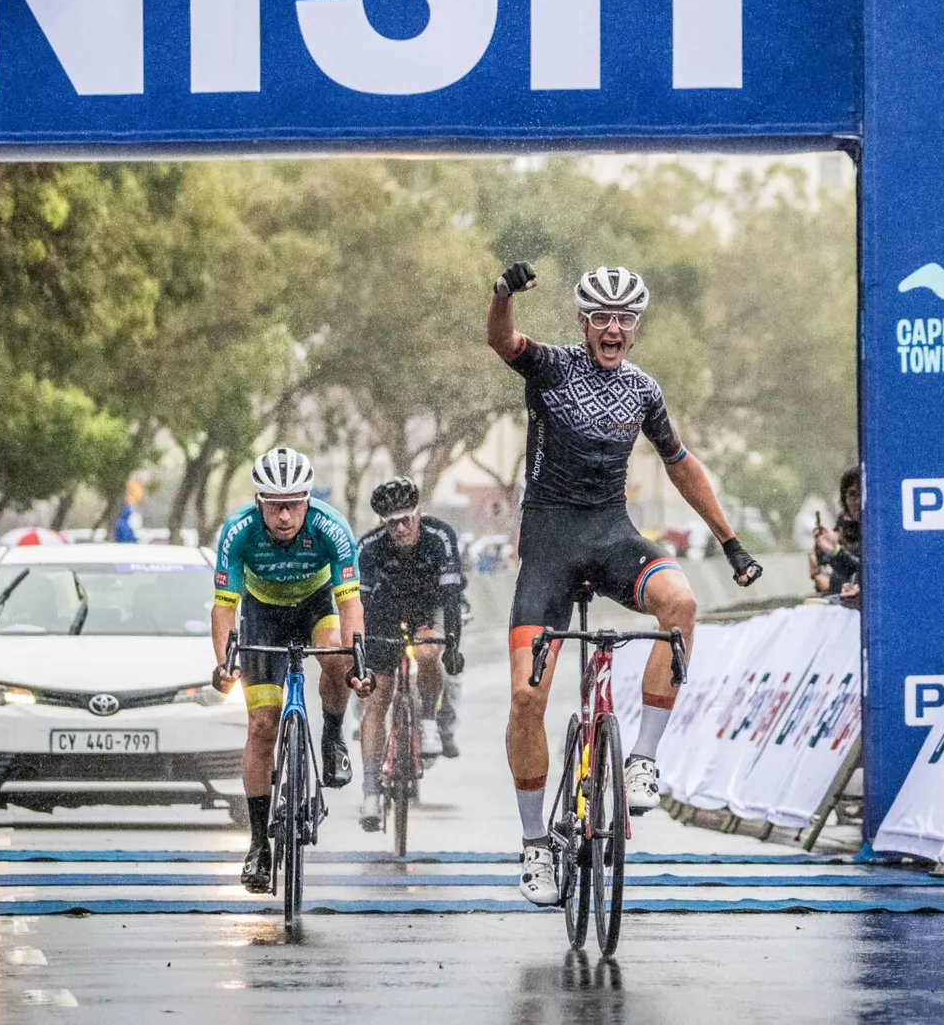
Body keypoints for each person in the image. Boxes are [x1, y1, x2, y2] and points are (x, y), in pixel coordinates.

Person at [488, 262, 763, 906]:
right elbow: (502, 341)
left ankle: (641, 758)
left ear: (636, 329)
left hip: (613, 536)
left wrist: (729, 541)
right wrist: (502, 293)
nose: (613, 329)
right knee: (527, 700)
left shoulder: (642, 389)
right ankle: (534, 847)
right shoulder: (550, 367)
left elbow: (681, 464)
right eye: (601, 319)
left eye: (625, 320)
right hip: (549, 548)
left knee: (682, 604)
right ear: (583, 324)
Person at [208, 446, 374, 894]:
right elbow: (225, 608)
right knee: (263, 726)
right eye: (275, 505)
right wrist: (225, 662)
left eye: (295, 504)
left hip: (315, 606)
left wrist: (358, 661)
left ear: (307, 500)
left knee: (337, 654)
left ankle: (332, 734)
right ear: (259, 502)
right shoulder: (238, 532)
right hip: (262, 614)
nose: (285, 515)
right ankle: (259, 844)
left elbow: (350, 603)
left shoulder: (331, 527)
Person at [354, 476, 468, 831]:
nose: (400, 529)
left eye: (407, 520)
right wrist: (361, 654)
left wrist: (453, 643)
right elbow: (358, 606)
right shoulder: (370, 546)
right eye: (392, 523)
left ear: (419, 514)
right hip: (384, 612)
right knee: (378, 698)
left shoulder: (440, 536)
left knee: (430, 652)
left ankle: (430, 723)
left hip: (427, 608)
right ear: (382, 524)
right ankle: (370, 791)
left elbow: (450, 599)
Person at [809, 465, 862, 606]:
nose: (858, 502)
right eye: (852, 494)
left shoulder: (884, 535)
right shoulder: (840, 533)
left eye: (863, 494)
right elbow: (858, 569)